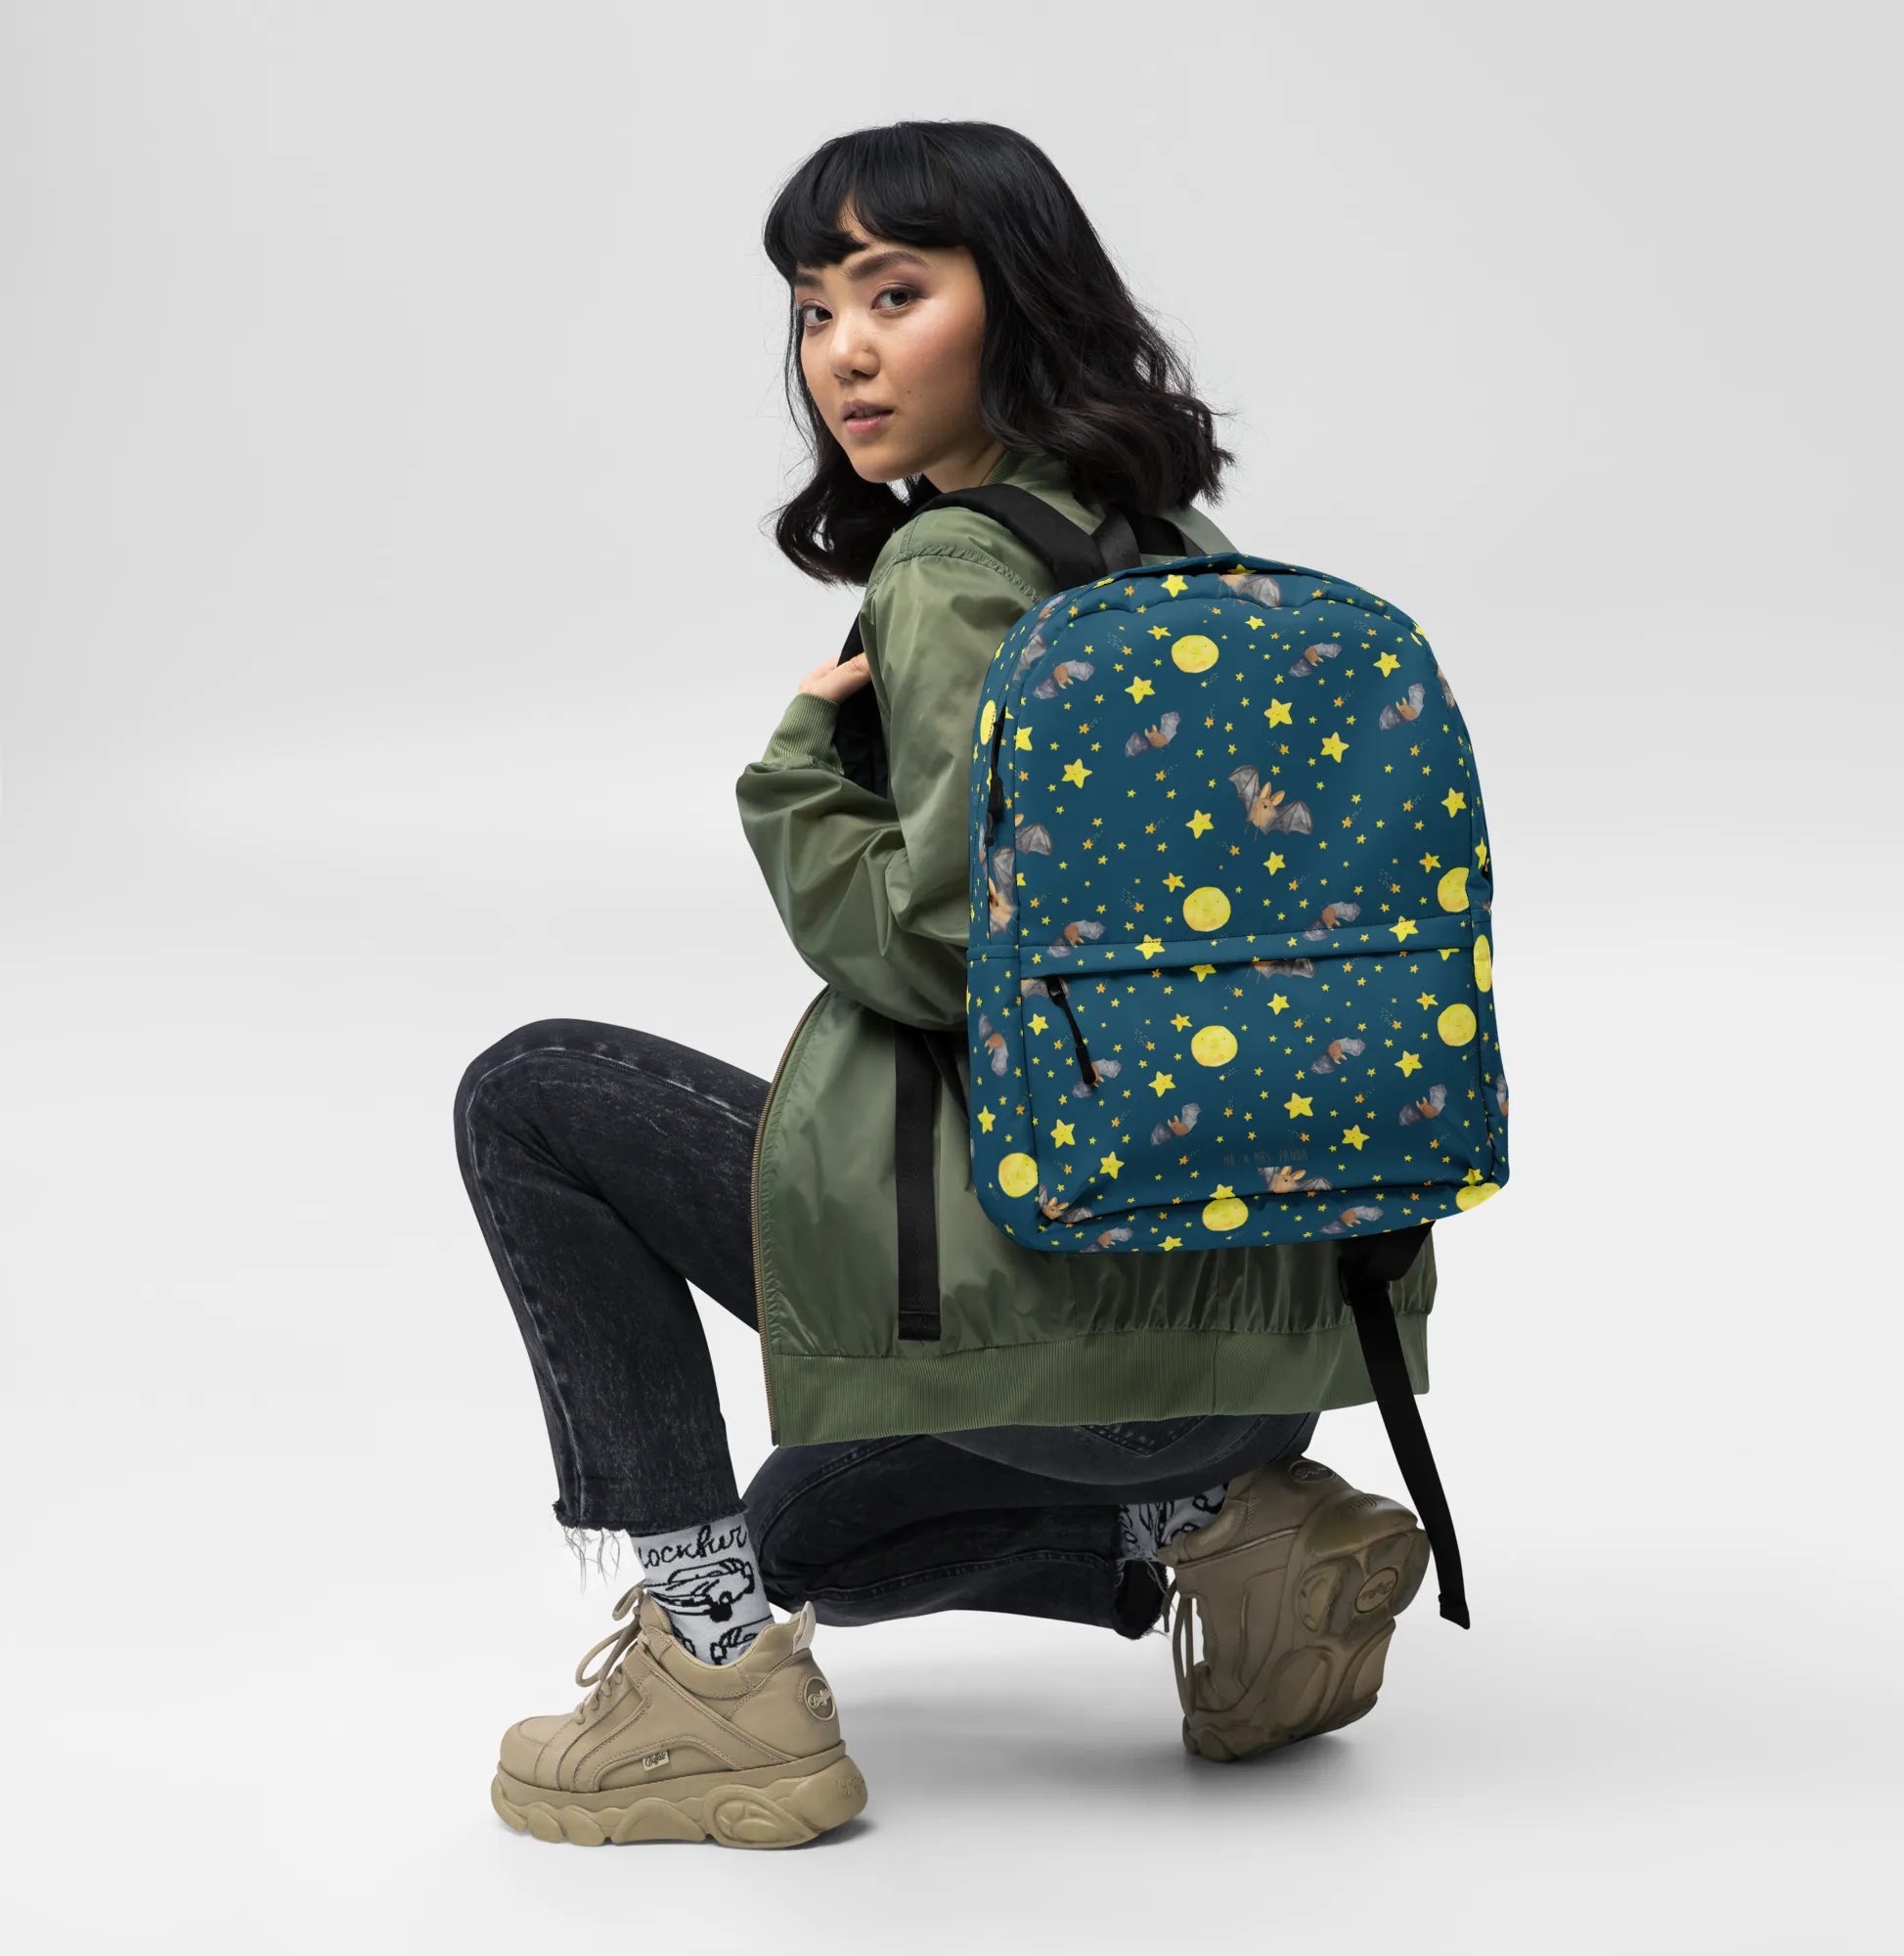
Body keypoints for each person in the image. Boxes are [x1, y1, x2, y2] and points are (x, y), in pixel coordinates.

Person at [453, 121, 1438, 1851]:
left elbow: (941, 949)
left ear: (1018, 299)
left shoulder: (954, 566)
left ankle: (707, 1675)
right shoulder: (1176, 543)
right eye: (813, 307)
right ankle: (1230, 1528)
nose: (842, 351)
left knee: (534, 1095)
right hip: (1266, 1338)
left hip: (1070, 1329)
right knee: (808, 1539)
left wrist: (793, 775)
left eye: (894, 293)